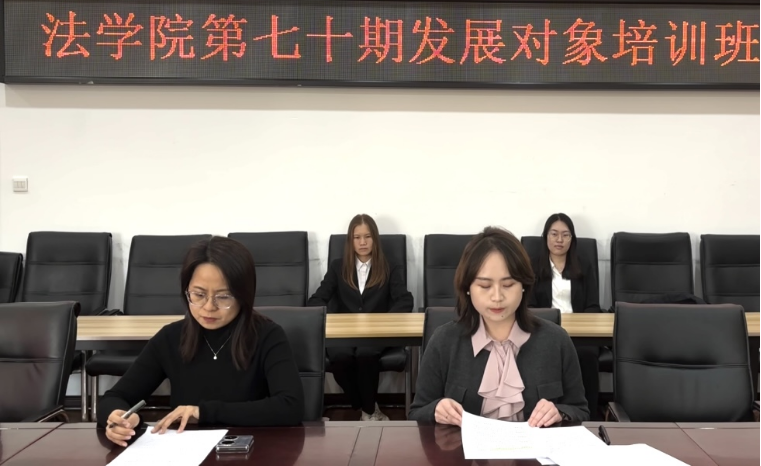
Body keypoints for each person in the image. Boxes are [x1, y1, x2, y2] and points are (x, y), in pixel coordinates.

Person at [98, 236, 304, 447]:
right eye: (198, 295)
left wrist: (204, 412)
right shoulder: (171, 337)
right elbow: (115, 397)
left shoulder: (268, 335)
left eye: (223, 297)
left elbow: (291, 406)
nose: (208, 307)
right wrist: (118, 417)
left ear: (243, 295)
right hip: (187, 452)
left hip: (252, 449)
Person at [409, 227, 589, 426]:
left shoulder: (556, 340)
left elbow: (580, 410)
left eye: (508, 285)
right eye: (485, 286)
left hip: (535, 447)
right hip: (461, 447)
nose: (497, 297)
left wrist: (560, 413)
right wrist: (436, 409)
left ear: (524, 285)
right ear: (468, 288)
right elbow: (417, 412)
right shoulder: (444, 341)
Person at [307, 214, 414, 421]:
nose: (363, 242)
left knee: (366, 354)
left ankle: (368, 411)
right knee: (340, 357)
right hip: (345, 333)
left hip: (376, 333)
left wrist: (383, 322)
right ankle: (367, 407)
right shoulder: (338, 267)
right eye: (357, 237)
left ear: (375, 238)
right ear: (351, 240)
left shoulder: (389, 266)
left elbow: (405, 300)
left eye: (367, 236)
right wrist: (333, 321)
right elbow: (317, 299)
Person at [528, 213, 602, 419]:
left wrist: (581, 325)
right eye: (554, 234)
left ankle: (588, 414)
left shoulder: (584, 265)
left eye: (565, 235)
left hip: (580, 333)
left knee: (587, 354)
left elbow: (593, 306)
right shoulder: (533, 266)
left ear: (572, 238)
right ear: (546, 237)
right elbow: (530, 306)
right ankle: (544, 414)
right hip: (545, 331)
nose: (559, 240)